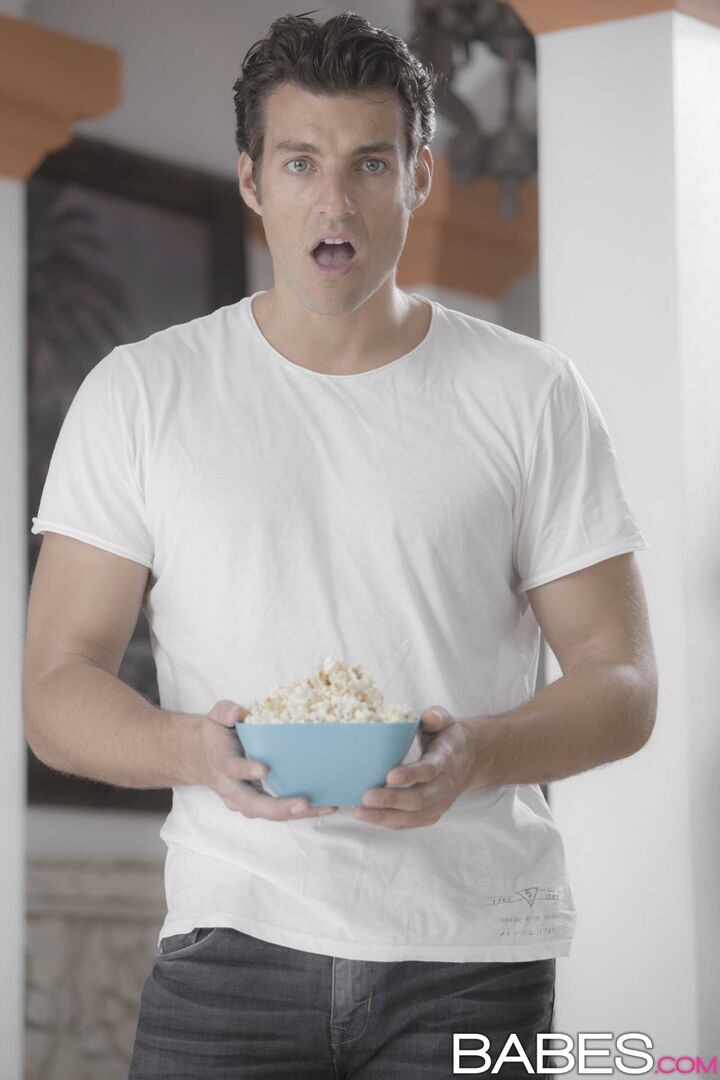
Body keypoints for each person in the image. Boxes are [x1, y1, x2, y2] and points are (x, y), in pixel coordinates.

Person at [22, 11, 658, 1080]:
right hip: (231, 941)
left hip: (473, 953)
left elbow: (624, 682)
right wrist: (194, 751)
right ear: (251, 179)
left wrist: (475, 755)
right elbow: (54, 686)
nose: (335, 201)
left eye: (370, 163)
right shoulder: (141, 393)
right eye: (300, 162)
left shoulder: (530, 393)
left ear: (418, 177)